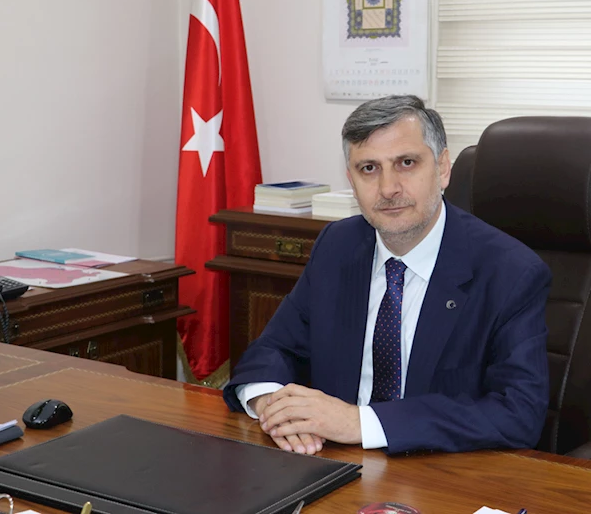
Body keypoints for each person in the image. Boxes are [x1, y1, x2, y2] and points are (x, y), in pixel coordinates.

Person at [222, 95, 551, 455]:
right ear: (351, 180)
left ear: (443, 168)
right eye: (369, 168)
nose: (388, 188)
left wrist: (360, 423)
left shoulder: (510, 272)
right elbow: (273, 348)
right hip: (330, 458)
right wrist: (273, 406)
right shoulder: (338, 246)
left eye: (406, 163)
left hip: (441, 470)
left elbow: (518, 413)